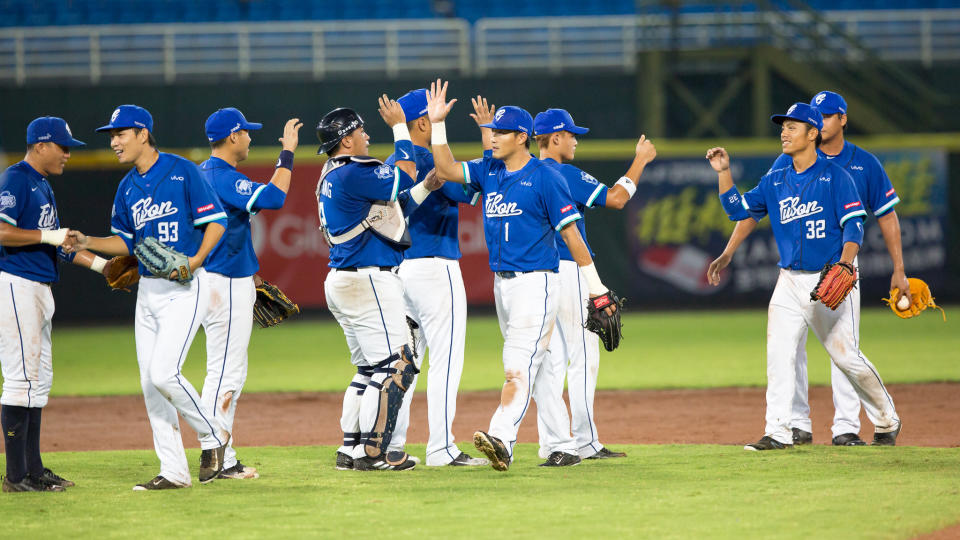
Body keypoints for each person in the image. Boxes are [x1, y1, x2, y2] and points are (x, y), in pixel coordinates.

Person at [425, 79, 619, 470]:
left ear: (521, 137)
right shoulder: (490, 170)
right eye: (492, 131)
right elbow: (444, 168)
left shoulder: (547, 177)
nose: (492, 137)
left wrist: (596, 289)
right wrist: (438, 124)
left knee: (518, 362)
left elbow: (572, 235)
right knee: (542, 365)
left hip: (537, 283)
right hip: (504, 286)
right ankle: (561, 445)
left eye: (499, 132)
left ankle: (502, 437)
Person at [705, 102, 901, 451]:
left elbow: (855, 226)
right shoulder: (776, 179)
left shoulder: (836, 176)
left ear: (813, 134)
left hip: (831, 277)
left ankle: (887, 419)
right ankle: (778, 431)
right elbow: (738, 210)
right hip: (789, 281)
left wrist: (845, 265)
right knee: (779, 354)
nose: (784, 131)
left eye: (793, 127)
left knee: (846, 357)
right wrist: (724, 172)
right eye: (783, 126)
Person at [65, 105, 231, 489]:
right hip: (148, 292)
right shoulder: (127, 187)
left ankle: (212, 435)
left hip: (186, 288)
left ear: (143, 133)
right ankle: (173, 470)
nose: (114, 142)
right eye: (111, 135)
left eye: (120, 133)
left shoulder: (183, 170)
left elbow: (216, 221)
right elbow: (125, 241)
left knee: (164, 373)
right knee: (149, 384)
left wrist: (195, 260)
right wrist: (89, 242)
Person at [763, 91, 908, 447]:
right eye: (817, 115)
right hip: (793, 275)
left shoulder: (860, 164)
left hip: (838, 269)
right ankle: (787, 427)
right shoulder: (786, 163)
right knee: (785, 350)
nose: (822, 121)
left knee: (844, 353)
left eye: (827, 116)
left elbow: (883, 216)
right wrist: (728, 251)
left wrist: (898, 269)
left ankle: (855, 425)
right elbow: (753, 208)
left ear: (841, 119)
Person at [318, 96, 444, 471]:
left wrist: (426, 187)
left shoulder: (333, 171)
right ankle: (374, 453)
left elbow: (392, 209)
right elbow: (403, 170)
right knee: (395, 366)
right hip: (367, 278)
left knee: (368, 370)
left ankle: (351, 449)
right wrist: (399, 127)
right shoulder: (353, 171)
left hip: (344, 278)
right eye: (360, 131)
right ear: (345, 140)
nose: (366, 136)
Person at [530, 108, 656, 460]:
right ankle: (584, 442)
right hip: (570, 271)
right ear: (554, 138)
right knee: (583, 357)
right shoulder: (563, 173)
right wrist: (640, 161)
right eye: (571, 134)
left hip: (537, 276)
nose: (575, 140)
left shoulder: (526, 174)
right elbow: (617, 198)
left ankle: (553, 443)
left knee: (549, 362)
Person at [381, 88, 487, 467]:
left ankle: (391, 444)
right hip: (435, 269)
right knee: (445, 360)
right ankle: (441, 447)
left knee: (405, 362)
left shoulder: (396, 159)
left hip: (402, 271)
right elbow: (472, 186)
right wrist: (489, 147)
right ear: (423, 122)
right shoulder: (429, 159)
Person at [197, 108, 303, 478]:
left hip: (219, 280)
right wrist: (287, 152)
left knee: (223, 372)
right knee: (226, 375)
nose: (250, 139)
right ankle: (216, 459)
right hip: (224, 284)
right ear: (232, 136)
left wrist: (253, 277)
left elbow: (227, 233)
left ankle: (222, 456)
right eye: (246, 133)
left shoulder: (198, 174)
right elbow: (273, 198)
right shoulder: (221, 176)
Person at [0, 116, 103, 492]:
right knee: (20, 379)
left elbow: (60, 245)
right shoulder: (16, 178)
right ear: (40, 145)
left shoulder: (43, 185)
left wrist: (104, 267)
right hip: (16, 284)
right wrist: (49, 233)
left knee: (38, 382)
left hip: (39, 286)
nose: (68, 155)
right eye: (63, 147)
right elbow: (1, 230)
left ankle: (34, 469)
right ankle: (15, 476)